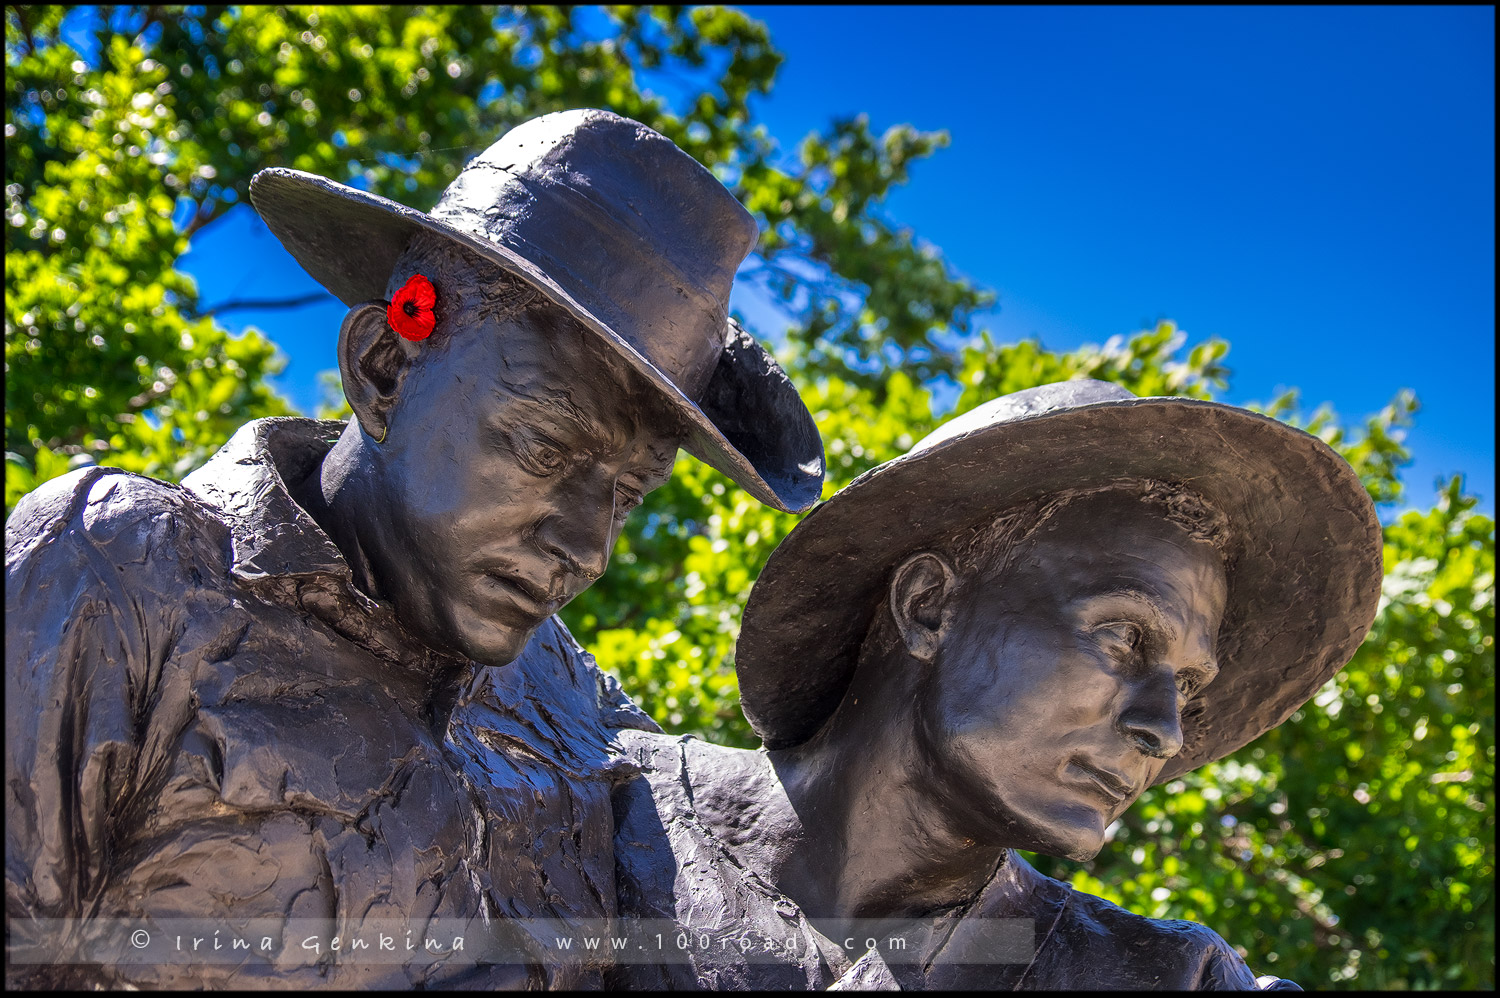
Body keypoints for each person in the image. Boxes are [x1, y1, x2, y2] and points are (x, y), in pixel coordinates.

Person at [4, 109, 823, 989]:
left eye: (627, 495)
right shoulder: (121, 574)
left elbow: (762, 857)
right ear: (386, 367)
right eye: (546, 449)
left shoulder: (570, 693)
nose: (590, 550)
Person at [610, 379, 1382, 989]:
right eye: (1123, 637)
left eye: (1186, 686)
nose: (1166, 729)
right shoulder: (587, 814)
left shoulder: (1170, 981)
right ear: (930, 607)